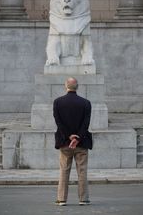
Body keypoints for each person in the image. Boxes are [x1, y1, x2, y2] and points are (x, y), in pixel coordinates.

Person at [53, 77, 92, 206]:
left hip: (64, 142)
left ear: (66, 86)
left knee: (64, 170)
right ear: (77, 86)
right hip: (81, 143)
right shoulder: (86, 103)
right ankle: (83, 199)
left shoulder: (57, 102)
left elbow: (59, 123)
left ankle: (62, 199)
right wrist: (77, 137)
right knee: (82, 171)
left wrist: (69, 136)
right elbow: (86, 123)